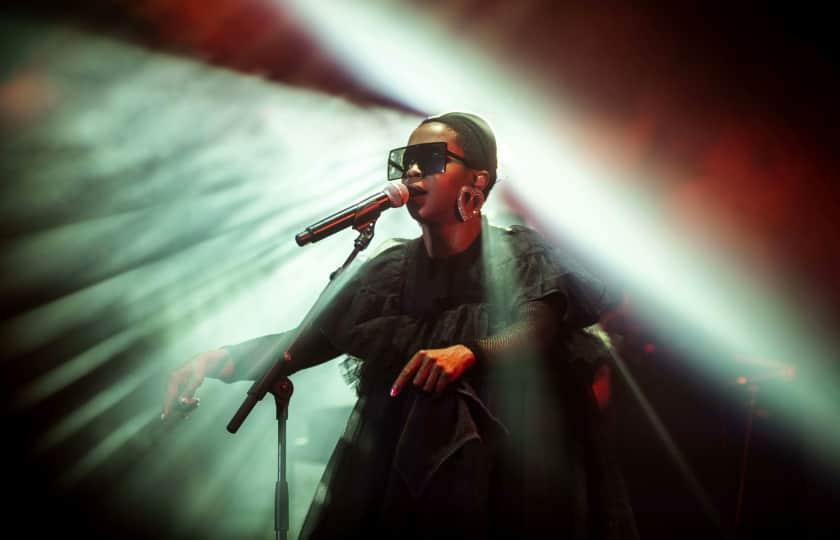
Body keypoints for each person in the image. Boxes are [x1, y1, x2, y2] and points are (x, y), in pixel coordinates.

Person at [162, 112, 638, 539]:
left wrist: (472, 351)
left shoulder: (521, 254)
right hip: (404, 479)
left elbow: (537, 325)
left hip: (514, 474)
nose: (411, 171)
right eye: (404, 161)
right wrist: (218, 360)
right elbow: (308, 343)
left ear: (478, 179)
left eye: (429, 159)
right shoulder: (388, 274)